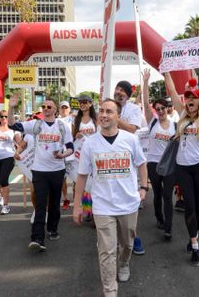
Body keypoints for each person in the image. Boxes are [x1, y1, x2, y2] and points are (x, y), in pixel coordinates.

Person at [73, 99, 148, 297]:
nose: (104, 115)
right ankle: (110, 290)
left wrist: (144, 187)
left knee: (127, 244)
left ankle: (124, 263)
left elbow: (141, 164)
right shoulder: (90, 143)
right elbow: (81, 176)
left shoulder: (130, 139)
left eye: (109, 111)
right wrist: (77, 205)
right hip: (102, 206)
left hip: (128, 204)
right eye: (102, 111)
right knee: (106, 251)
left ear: (117, 116)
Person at [164, 51, 199, 266]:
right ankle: (194, 244)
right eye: (188, 98)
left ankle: (195, 235)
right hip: (182, 168)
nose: (190, 100)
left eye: (194, 98)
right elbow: (173, 91)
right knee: (190, 206)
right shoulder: (182, 115)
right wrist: (166, 71)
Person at [8, 94, 74, 251]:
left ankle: (52, 229)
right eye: (43, 107)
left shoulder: (62, 126)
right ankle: (37, 238)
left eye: (49, 107)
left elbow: (71, 146)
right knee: (40, 204)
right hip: (39, 171)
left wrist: (63, 155)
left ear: (55, 110)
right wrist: (11, 107)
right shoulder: (36, 124)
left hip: (57, 171)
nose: (45, 109)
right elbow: (12, 125)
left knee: (54, 204)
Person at [142, 68, 176, 240]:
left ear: (168, 109)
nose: (160, 111)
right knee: (157, 194)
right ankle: (159, 218)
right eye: (158, 108)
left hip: (169, 165)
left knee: (168, 196)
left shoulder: (175, 125)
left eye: (163, 108)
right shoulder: (152, 121)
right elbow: (145, 100)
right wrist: (146, 82)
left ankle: (168, 228)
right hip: (153, 163)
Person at [114, 80, 145, 255]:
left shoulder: (134, 109)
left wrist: (115, 119)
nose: (118, 92)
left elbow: (132, 129)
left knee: (129, 199)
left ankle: (134, 236)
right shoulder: (107, 105)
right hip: (109, 156)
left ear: (127, 94)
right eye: (116, 89)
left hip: (127, 158)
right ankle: (114, 239)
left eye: (122, 90)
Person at [72, 95, 97, 221]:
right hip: (80, 156)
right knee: (81, 182)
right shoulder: (76, 120)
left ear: (90, 104)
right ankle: (85, 210)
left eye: (84, 102)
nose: (82, 104)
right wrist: (76, 135)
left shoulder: (95, 119)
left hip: (94, 154)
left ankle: (94, 211)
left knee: (93, 183)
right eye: (80, 102)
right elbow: (72, 138)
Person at [0, 110, 21, 214]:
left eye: (6, 116)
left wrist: (20, 152)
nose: (4, 118)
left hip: (9, 157)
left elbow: (20, 143)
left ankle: (6, 205)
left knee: (4, 179)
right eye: (1, 117)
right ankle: (2, 196)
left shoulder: (14, 130)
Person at [58, 100, 74, 210]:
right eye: (62, 107)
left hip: (72, 154)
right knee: (62, 179)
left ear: (69, 109)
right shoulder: (55, 120)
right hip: (61, 154)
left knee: (76, 179)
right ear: (59, 109)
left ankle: (77, 199)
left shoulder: (73, 119)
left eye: (66, 107)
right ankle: (66, 199)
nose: (64, 109)